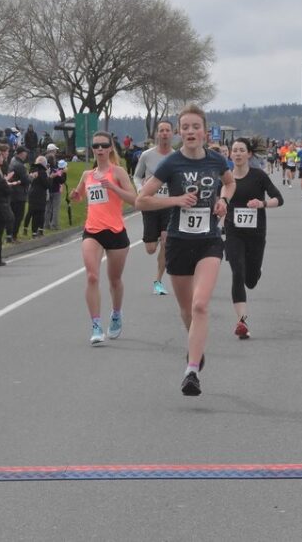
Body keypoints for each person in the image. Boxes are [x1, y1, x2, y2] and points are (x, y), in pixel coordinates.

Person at [135, 104, 235, 397]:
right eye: (186, 127)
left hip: (209, 241)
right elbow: (142, 200)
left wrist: (224, 202)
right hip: (178, 242)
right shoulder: (172, 164)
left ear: (205, 131)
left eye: (196, 127)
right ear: (180, 132)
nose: (190, 132)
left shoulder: (217, 161)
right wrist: (176, 200)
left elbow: (229, 185)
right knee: (186, 309)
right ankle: (196, 347)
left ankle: (191, 370)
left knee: (200, 304)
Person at [70, 130, 136, 345]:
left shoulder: (118, 172)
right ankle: (96, 325)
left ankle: (116, 314)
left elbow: (134, 200)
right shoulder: (87, 175)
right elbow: (80, 196)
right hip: (93, 231)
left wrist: (114, 188)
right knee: (92, 276)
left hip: (116, 232)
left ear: (110, 148)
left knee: (114, 280)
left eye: (103, 145)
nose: (99, 149)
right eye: (95, 146)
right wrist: (76, 196)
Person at [225, 137, 283, 340]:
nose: (238, 153)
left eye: (242, 150)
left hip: (256, 234)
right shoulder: (225, 179)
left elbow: (279, 199)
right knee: (237, 272)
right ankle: (242, 322)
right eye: (235, 150)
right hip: (233, 233)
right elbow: (216, 201)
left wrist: (262, 204)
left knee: (250, 280)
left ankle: (256, 271)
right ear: (230, 155)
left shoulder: (259, 176)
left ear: (249, 154)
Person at [133, 119, 175, 296]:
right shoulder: (147, 155)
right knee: (150, 249)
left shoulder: (177, 156)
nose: (164, 133)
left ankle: (158, 280)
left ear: (172, 134)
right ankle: (156, 237)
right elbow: (136, 176)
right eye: (161, 130)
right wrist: (141, 189)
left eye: (167, 130)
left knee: (166, 240)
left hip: (168, 204)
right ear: (157, 134)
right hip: (150, 204)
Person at [8, 146, 31, 241]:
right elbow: (26, 180)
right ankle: (13, 236)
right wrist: (31, 177)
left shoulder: (12, 161)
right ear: (21, 153)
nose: (26, 155)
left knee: (12, 215)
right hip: (19, 194)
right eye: (25, 153)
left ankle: (10, 235)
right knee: (18, 216)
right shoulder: (19, 165)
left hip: (12, 193)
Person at [24, 155, 50, 237]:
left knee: (31, 212)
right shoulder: (42, 172)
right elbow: (46, 185)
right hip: (40, 195)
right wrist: (50, 177)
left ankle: (27, 229)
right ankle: (35, 232)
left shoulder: (32, 170)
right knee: (39, 213)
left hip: (32, 193)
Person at [44, 152, 67, 231]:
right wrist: (64, 173)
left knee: (48, 208)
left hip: (48, 190)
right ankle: (54, 225)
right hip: (55, 190)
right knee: (55, 208)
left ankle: (46, 224)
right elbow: (61, 180)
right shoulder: (55, 170)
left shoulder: (46, 170)